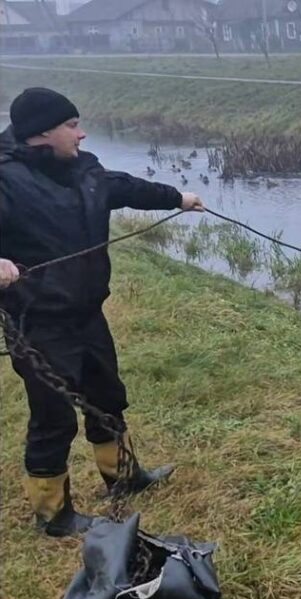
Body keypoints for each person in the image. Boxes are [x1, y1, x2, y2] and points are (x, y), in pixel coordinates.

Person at [0, 87, 204, 537]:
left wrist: (178, 198)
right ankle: (54, 515)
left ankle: (125, 478)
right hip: (38, 322)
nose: (82, 132)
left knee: (107, 395)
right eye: (72, 126)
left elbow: (125, 186)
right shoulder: (6, 181)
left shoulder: (84, 169)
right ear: (41, 133)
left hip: (87, 313)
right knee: (53, 417)